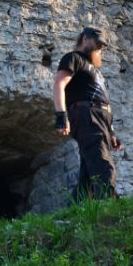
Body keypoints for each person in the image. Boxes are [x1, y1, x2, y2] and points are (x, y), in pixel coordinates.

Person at [53, 27, 122, 200]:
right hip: (86, 114)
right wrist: (61, 116)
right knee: (102, 164)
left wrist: (111, 132)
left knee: (87, 173)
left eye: (102, 46)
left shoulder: (94, 70)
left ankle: (74, 211)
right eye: (97, 43)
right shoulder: (73, 58)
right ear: (85, 38)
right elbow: (59, 84)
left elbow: (103, 99)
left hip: (100, 118)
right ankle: (110, 209)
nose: (100, 48)